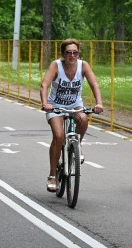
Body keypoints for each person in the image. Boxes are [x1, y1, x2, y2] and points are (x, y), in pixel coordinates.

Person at [40, 39, 104, 192]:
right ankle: (53, 175)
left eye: (75, 52)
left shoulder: (83, 65)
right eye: (68, 52)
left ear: (78, 53)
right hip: (55, 106)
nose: (72, 55)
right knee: (59, 136)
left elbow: (94, 84)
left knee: (83, 118)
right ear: (63, 54)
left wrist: (99, 103)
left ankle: (77, 145)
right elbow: (44, 85)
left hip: (75, 104)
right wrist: (45, 103)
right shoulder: (56, 66)